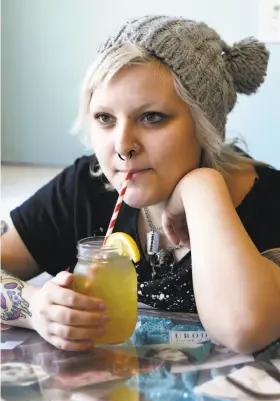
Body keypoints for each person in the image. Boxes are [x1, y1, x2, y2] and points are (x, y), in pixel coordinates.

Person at [1, 16, 280, 353]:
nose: (122, 146)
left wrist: (201, 188)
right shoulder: (86, 187)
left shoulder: (269, 202)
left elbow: (246, 328)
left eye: (152, 117)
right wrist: (33, 308)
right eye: (105, 118)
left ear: (204, 124)